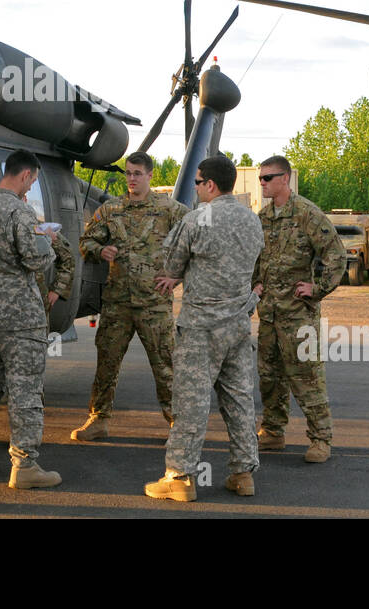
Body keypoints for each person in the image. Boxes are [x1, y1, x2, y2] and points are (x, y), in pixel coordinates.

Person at [144, 155, 264, 502]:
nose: (195, 189)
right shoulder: (252, 221)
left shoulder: (197, 219)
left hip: (201, 327)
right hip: (238, 324)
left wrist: (177, 275)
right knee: (239, 399)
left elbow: (171, 263)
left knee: (191, 401)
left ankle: (179, 477)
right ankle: (243, 473)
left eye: (197, 183)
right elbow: (256, 266)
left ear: (210, 185)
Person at [0, 149, 62, 489]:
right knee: (25, 391)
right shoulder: (20, 212)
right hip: (22, 317)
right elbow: (35, 261)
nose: (30, 187)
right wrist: (48, 241)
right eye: (31, 180)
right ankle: (25, 467)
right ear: (26, 175)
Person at [73, 151, 186, 439]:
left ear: (150, 175)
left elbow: (195, 242)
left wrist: (178, 276)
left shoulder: (169, 209)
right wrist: (101, 250)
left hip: (154, 304)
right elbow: (85, 242)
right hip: (117, 303)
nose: (132, 179)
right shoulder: (112, 210)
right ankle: (98, 420)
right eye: (128, 173)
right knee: (107, 363)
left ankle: (179, 425)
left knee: (165, 366)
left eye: (138, 173)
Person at [251, 155, 346, 464]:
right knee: (269, 377)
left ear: (285, 179)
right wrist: (255, 285)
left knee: (307, 378)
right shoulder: (263, 218)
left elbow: (335, 255)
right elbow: (256, 258)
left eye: (268, 178)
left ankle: (321, 438)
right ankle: (273, 432)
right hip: (269, 314)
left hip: (298, 316)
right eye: (261, 177)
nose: (262, 183)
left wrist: (316, 289)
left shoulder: (307, 214)